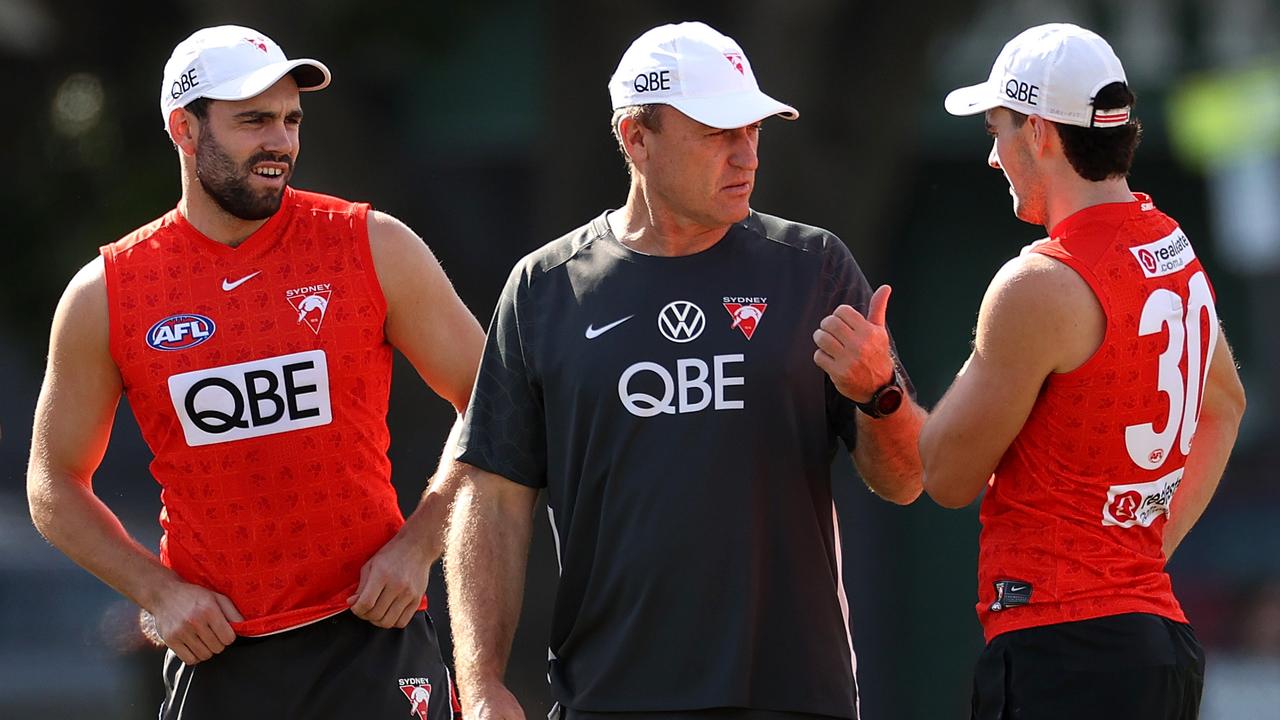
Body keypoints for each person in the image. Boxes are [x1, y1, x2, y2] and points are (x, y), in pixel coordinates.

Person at [445, 21, 924, 720]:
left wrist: (880, 395)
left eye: (754, 130)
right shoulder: (545, 287)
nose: (746, 155)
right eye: (718, 134)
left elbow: (904, 480)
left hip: (792, 698)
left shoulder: (814, 268)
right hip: (611, 700)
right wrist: (483, 683)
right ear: (635, 138)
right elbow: (492, 498)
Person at [25, 25, 482, 720]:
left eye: (291, 119)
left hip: (374, 643)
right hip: (220, 659)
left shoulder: (372, 244)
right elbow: (52, 483)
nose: (281, 141)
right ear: (185, 128)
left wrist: (422, 543)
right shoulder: (107, 293)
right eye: (254, 120)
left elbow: (496, 398)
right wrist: (158, 592)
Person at [920, 23, 1248, 720]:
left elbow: (944, 474)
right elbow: (1227, 405)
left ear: (1039, 131)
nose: (993, 155)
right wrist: (1141, 551)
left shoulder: (1038, 283)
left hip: (1062, 650)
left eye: (998, 129)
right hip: (1155, 644)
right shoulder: (1172, 247)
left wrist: (877, 386)